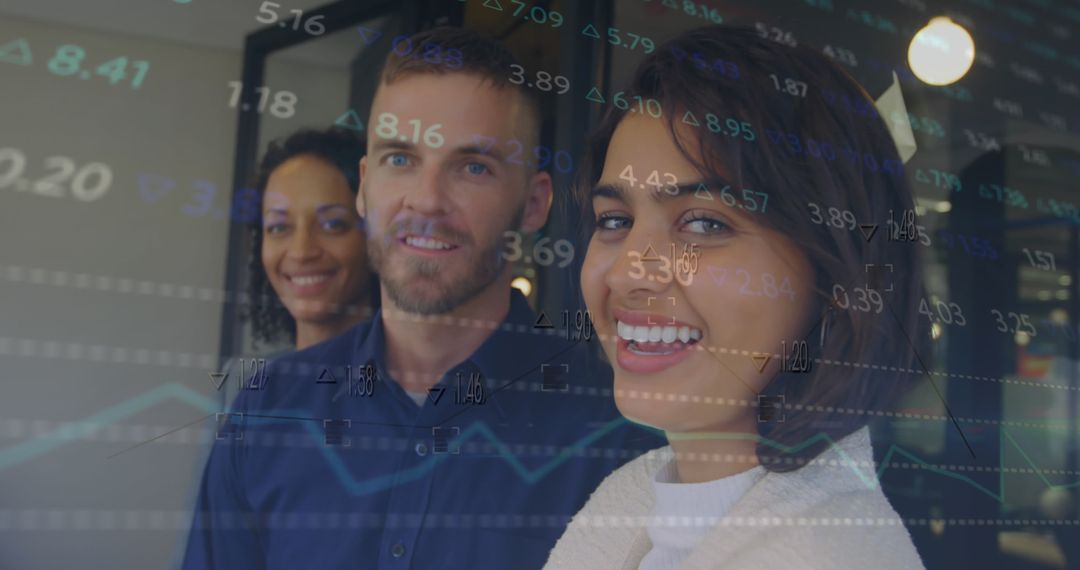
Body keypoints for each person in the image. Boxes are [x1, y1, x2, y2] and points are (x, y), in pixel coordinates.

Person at [183, 26, 663, 570]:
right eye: (400, 159)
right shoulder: (268, 409)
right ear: (364, 187)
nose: (427, 200)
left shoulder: (617, 434)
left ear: (533, 204)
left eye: (473, 167)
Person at [545, 26, 927, 569]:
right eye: (615, 220)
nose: (631, 270)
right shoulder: (631, 506)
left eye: (703, 223)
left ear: (841, 278)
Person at [218, 128, 379, 406]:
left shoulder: (417, 383)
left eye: (332, 224)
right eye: (279, 227)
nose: (301, 251)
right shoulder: (243, 382)